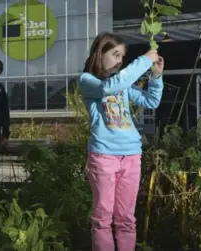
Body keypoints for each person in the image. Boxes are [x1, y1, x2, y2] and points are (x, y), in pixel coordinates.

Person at [79, 32, 164, 251]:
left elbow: (150, 101)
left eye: (122, 56)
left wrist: (155, 77)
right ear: (100, 53)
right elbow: (110, 87)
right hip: (104, 157)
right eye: (115, 54)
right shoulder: (89, 81)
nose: (119, 60)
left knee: (127, 218)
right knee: (102, 219)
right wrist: (144, 60)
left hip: (132, 156)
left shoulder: (123, 84)